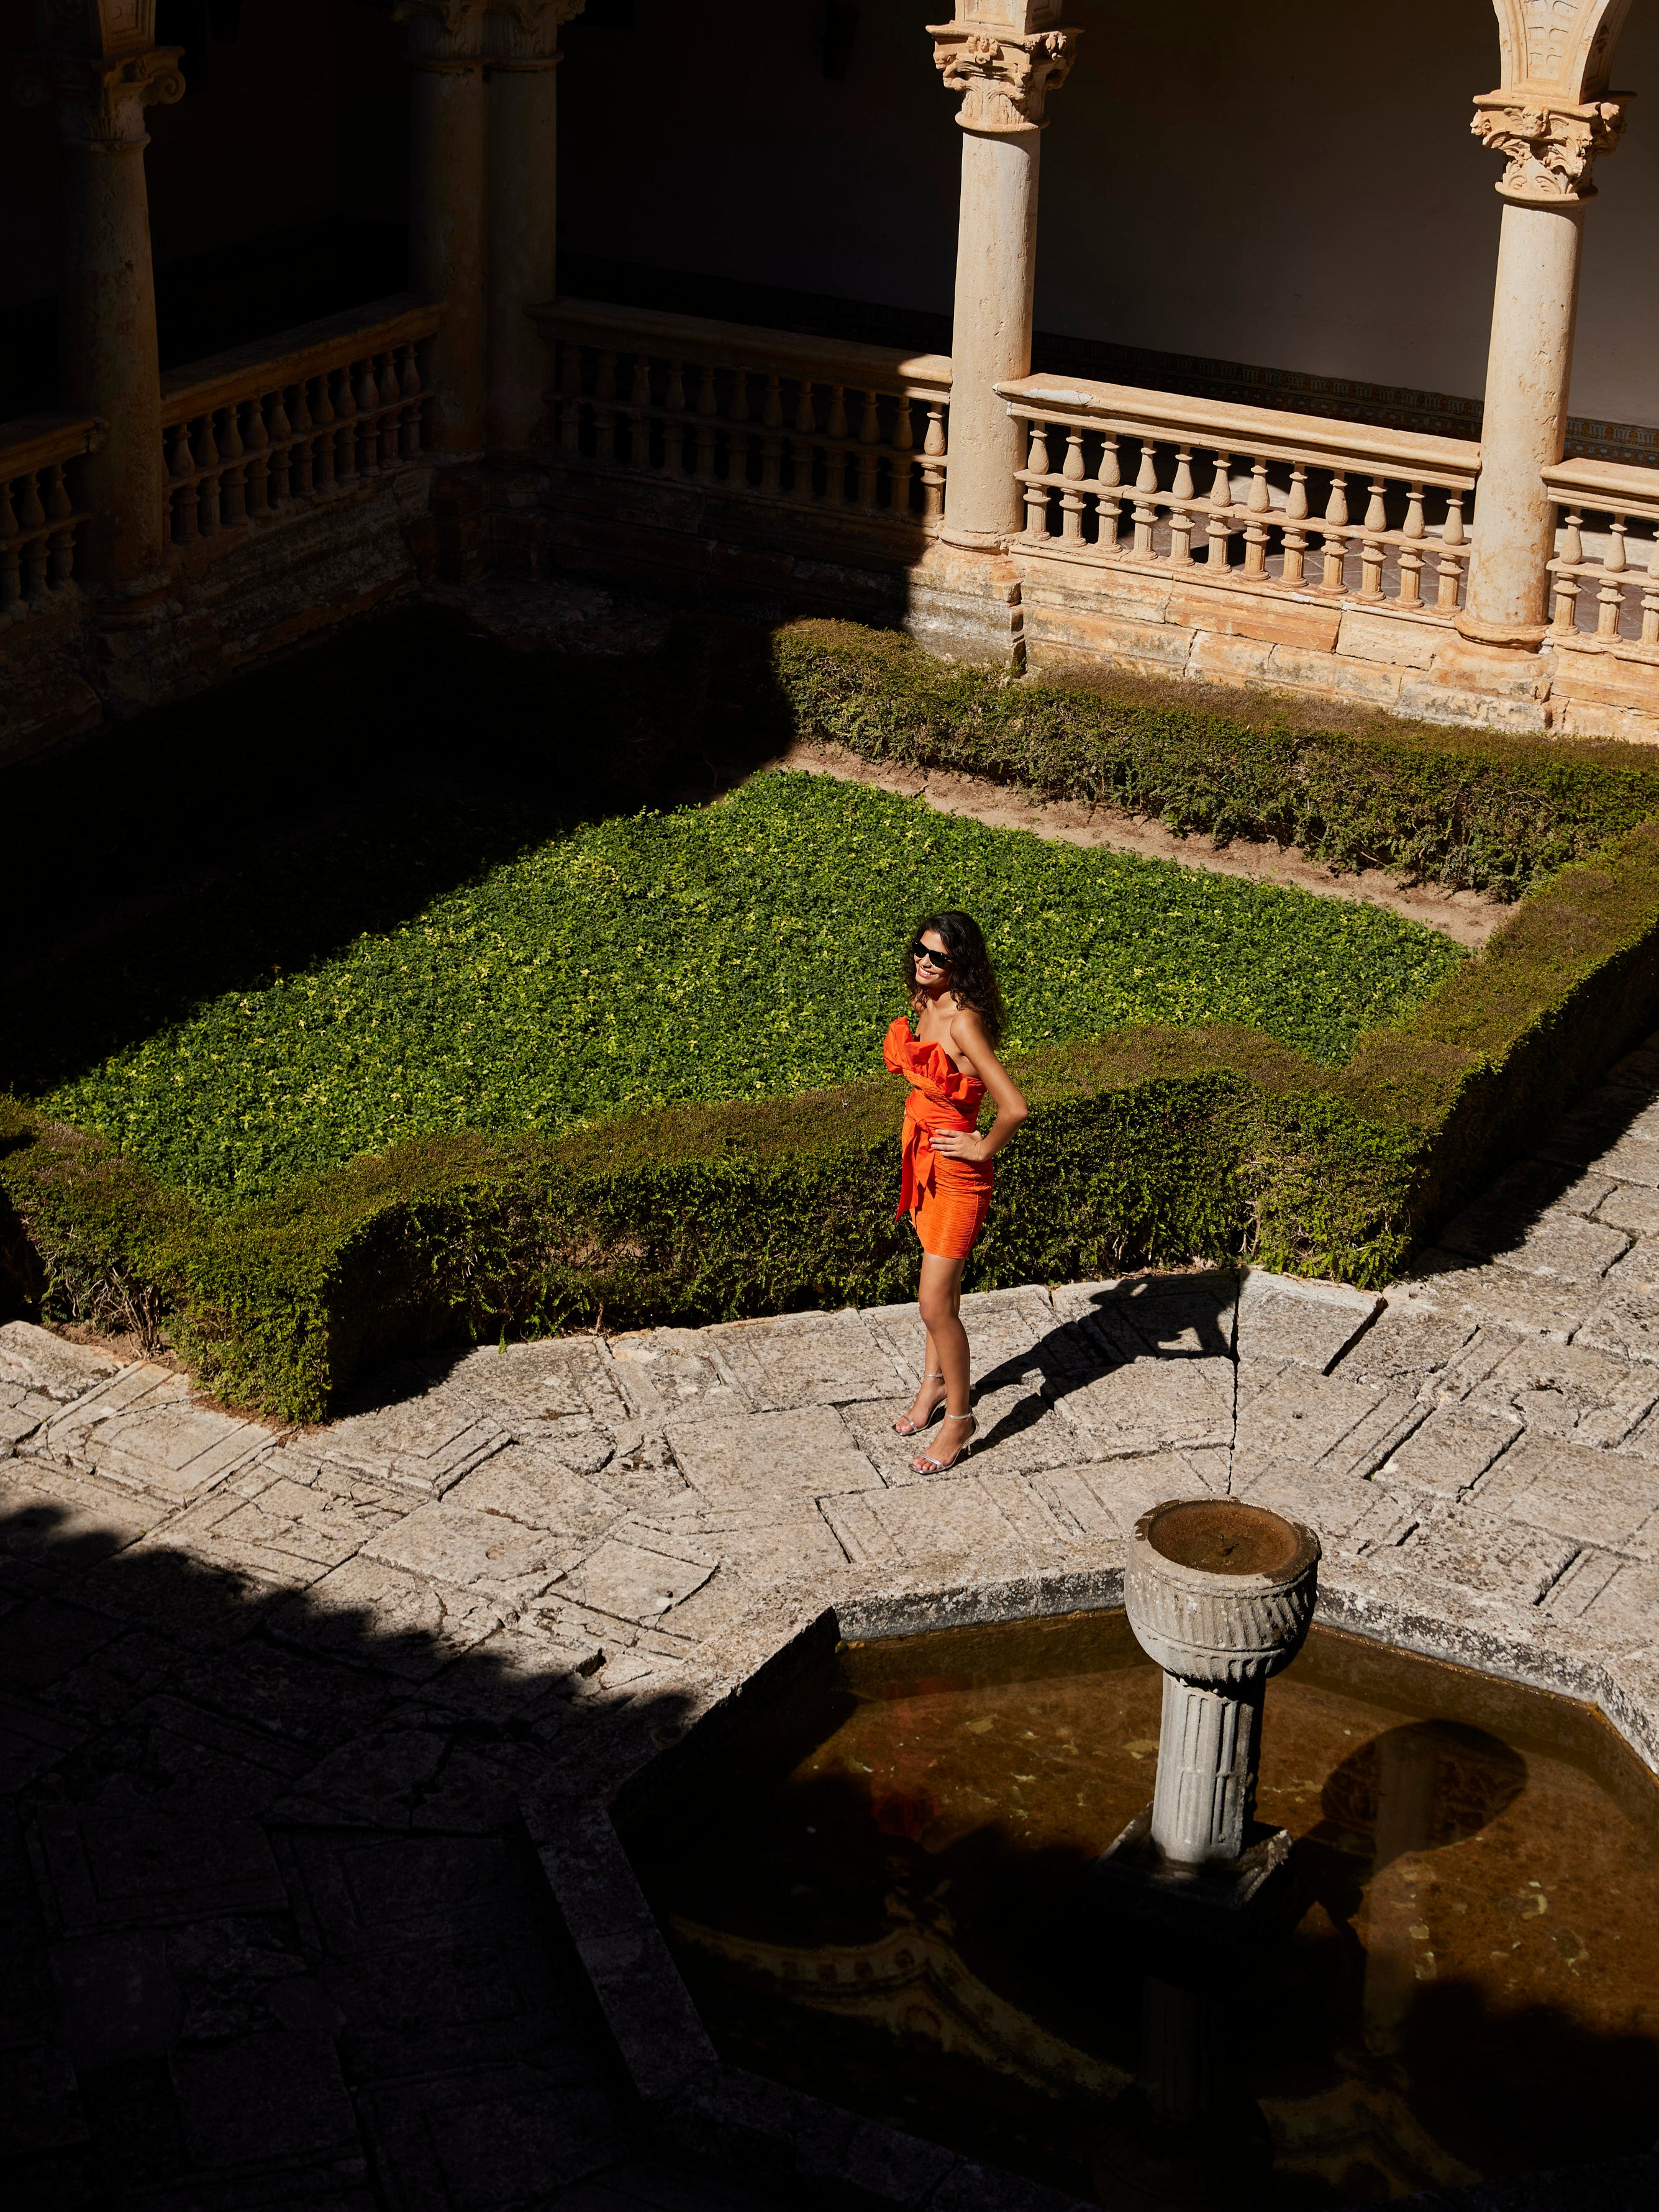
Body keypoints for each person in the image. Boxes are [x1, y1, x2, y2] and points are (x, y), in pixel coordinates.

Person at [881, 911, 1029, 1474]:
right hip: (924, 1163)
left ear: (959, 962)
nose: (923, 961)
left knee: (933, 1304)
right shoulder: (926, 1002)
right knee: (940, 1296)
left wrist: (982, 1146)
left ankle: (960, 1420)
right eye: (919, 950)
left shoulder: (964, 1022)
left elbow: (1014, 1107)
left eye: (938, 957)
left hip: (958, 1178)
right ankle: (933, 1385)